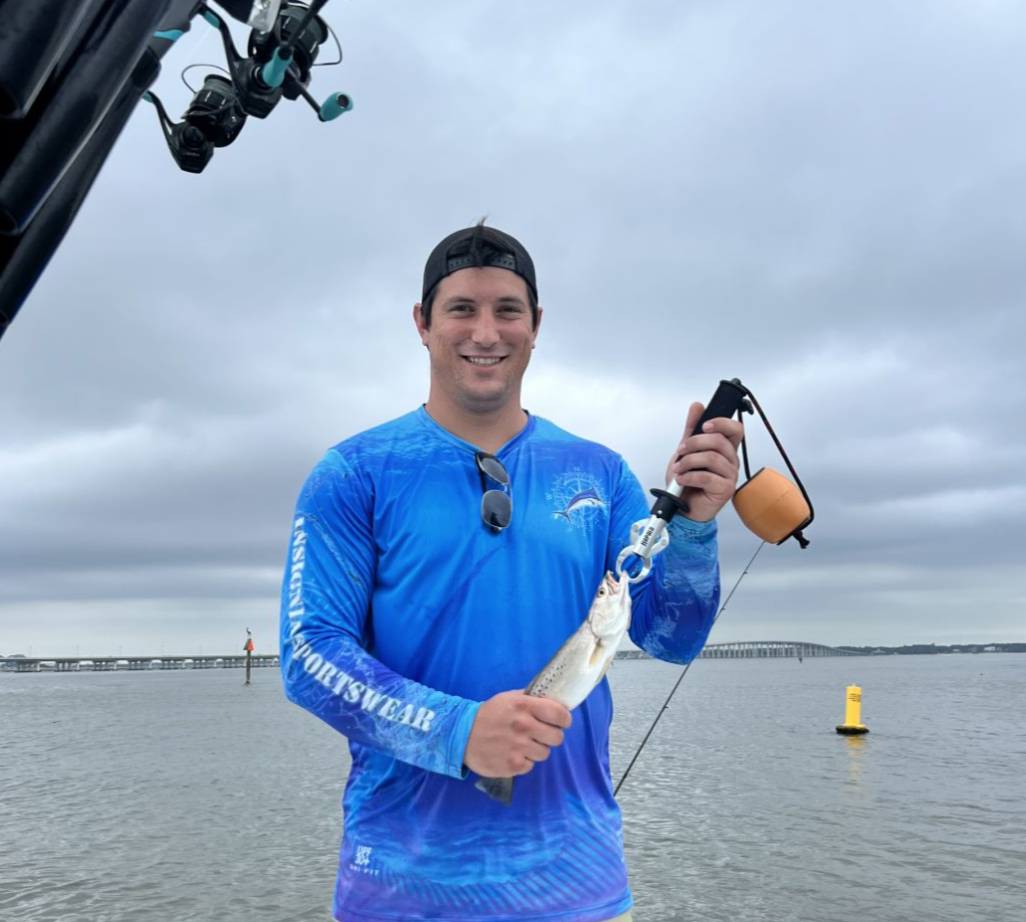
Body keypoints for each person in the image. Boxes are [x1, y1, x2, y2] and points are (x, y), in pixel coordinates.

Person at [279, 222, 743, 922]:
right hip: (401, 892)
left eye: (507, 310)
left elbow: (671, 639)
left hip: (578, 887)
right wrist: (457, 731)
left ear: (536, 325)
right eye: (461, 308)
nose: (486, 331)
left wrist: (696, 528)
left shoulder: (600, 472)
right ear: (422, 323)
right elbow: (311, 655)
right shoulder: (354, 473)